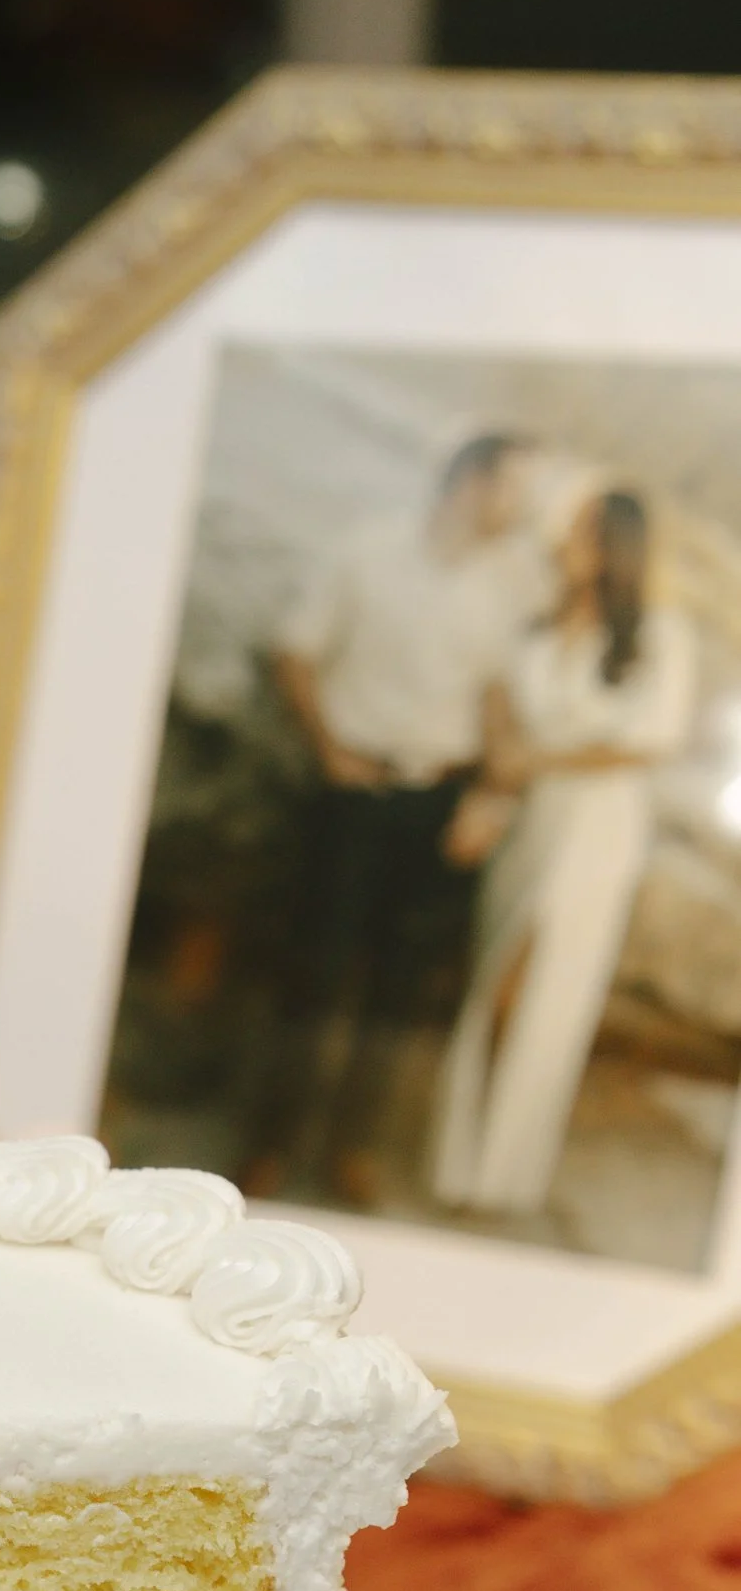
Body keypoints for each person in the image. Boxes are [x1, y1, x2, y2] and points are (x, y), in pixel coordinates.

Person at [262, 433, 543, 1204]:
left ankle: (352, 1152)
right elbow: (294, 650)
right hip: (356, 794)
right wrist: (328, 748)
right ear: (473, 484)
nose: (522, 508)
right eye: (514, 489)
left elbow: (499, 700)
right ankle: (271, 1143)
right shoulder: (367, 550)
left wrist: (492, 801)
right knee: (316, 972)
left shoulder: (511, 584)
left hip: (439, 805)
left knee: (401, 987)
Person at [430, 489, 695, 1221]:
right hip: (530, 822)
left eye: (583, 532)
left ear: (616, 548)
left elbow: (649, 741)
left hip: (599, 827)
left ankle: (505, 1177)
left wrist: (535, 762)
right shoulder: (538, 630)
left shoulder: (657, 636)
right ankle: (460, 1165)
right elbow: (501, 718)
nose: (565, 541)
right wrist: (492, 795)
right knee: (495, 982)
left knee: (551, 990)